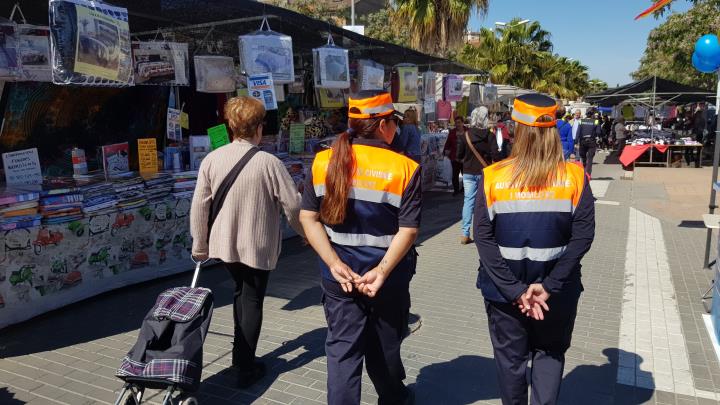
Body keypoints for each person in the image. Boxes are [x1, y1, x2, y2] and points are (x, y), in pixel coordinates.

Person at [299, 90, 421, 405]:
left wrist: (334, 263)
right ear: (383, 125)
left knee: (342, 351)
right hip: (388, 278)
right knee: (385, 345)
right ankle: (393, 396)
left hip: (339, 278)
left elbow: (307, 219)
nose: (396, 127)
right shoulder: (404, 168)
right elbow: (408, 231)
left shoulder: (323, 161)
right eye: (394, 121)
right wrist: (380, 271)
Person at [474, 93, 595, 405]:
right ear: (554, 129)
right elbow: (582, 238)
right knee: (550, 356)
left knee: (510, 364)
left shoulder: (493, 177)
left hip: (502, 294)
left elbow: (484, 241)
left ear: (517, 130)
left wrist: (515, 291)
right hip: (558, 293)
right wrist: (550, 287)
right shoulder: (575, 176)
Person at [190, 96, 305, 388]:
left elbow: (199, 207)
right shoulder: (270, 163)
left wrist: (199, 245)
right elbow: (293, 206)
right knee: (251, 298)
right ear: (258, 128)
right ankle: (244, 365)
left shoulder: (212, 159)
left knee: (242, 294)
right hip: (257, 245)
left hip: (225, 245)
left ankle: (240, 354)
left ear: (231, 126)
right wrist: (307, 235)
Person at [457, 106, 499, 245]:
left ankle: (465, 233)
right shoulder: (490, 135)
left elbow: (458, 156)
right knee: (484, 203)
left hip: (468, 172)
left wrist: (467, 161)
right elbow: (496, 156)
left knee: (468, 202)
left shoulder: (465, 136)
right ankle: (483, 232)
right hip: (485, 173)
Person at [445, 116, 466, 196]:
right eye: (456, 123)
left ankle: (464, 189)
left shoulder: (467, 131)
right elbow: (448, 143)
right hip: (454, 157)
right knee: (455, 175)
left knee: (465, 175)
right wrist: (446, 151)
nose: (457, 124)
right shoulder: (452, 132)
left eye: (459, 122)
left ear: (462, 123)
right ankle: (456, 190)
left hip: (465, 157)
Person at [577, 111, 602, 176]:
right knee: (590, 158)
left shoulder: (581, 121)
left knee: (583, 156)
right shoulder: (596, 121)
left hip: (582, 141)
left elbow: (578, 132)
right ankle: (588, 175)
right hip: (592, 141)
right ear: (592, 115)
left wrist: (576, 141)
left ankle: (583, 170)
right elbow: (598, 132)